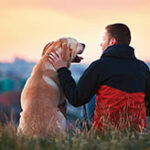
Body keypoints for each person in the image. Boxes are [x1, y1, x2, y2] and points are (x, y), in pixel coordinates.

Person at [48, 23, 150, 131]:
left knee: (90, 94)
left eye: (103, 40)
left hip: (105, 130)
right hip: (136, 131)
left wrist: (62, 69)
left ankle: (84, 136)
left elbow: (76, 99)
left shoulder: (99, 66)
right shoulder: (142, 68)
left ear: (112, 42)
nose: (101, 44)